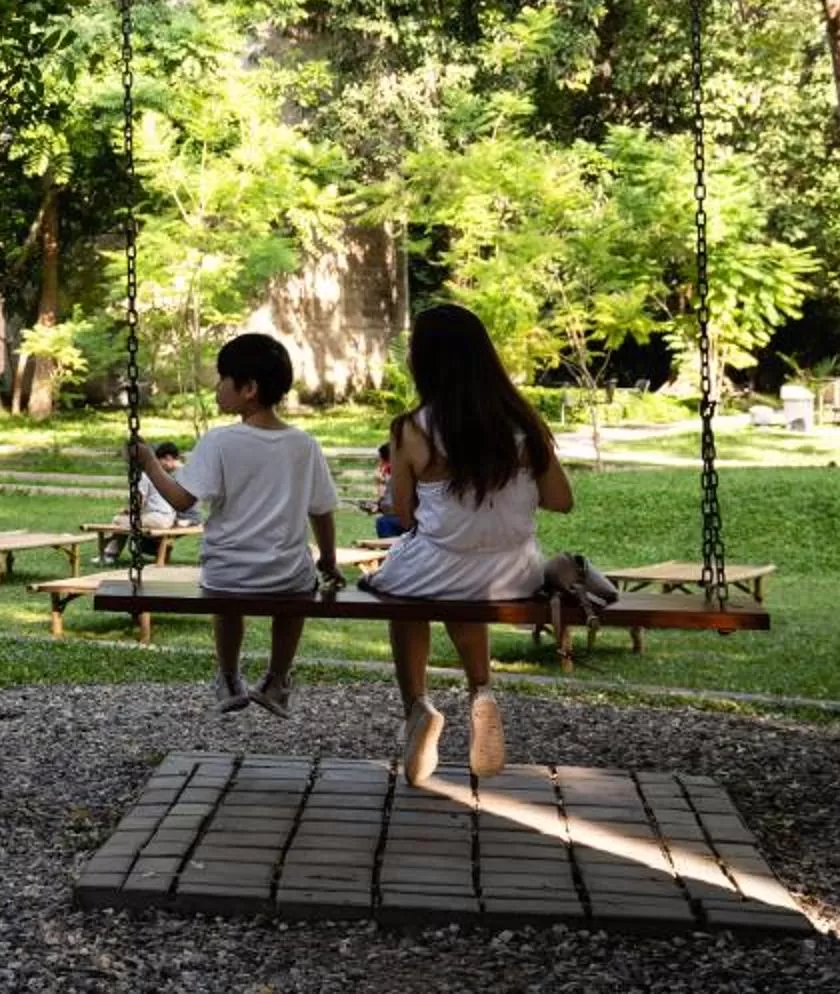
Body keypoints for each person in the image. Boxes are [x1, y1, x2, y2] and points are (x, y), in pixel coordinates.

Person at [362, 302, 575, 784]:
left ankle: (416, 706)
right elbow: (561, 500)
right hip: (513, 574)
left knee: (405, 597)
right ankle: (482, 692)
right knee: (466, 591)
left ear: (424, 362)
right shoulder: (524, 424)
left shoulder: (412, 428)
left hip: (437, 567)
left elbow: (404, 515)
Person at [130, 333, 338, 718]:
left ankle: (228, 676)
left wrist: (148, 462)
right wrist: (327, 559)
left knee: (225, 593)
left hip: (228, 574)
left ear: (248, 389)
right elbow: (322, 511)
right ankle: (277, 679)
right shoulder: (305, 445)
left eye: (223, 378)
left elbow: (181, 500)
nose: (216, 387)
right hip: (286, 576)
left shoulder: (220, 442)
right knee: (298, 589)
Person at [134, 441, 197, 527]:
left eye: (159, 463)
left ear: (168, 458)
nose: (159, 467)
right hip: (191, 517)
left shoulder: (177, 476)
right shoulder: (186, 471)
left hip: (183, 517)